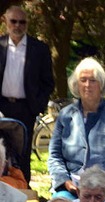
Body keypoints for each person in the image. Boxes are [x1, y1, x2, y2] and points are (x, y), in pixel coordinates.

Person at [48, 58, 105, 202]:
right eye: (83, 80)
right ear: (76, 84)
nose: (87, 85)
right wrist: (66, 182)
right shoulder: (65, 115)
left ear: (101, 84)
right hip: (71, 188)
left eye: (93, 80)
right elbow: (55, 156)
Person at [0, 6, 54, 184]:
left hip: (26, 108)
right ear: (5, 22)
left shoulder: (39, 49)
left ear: (27, 24)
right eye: (13, 21)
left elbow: (48, 82)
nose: (17, 25)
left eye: (22, 22)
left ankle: (24, 194)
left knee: (23, 154)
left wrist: (37, 106)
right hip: (1, 106)